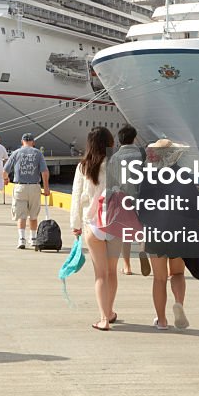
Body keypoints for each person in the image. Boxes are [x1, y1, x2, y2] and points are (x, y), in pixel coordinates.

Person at [135, 139, 199, 330]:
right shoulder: (183, 175)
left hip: (156, 233)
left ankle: (161, 321)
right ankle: (178, 303)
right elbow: (196, 208)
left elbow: (142, 207)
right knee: (177, 273)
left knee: (159, 278)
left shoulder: (148, 175)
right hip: (179, 232)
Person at [70, 126, 119, 331]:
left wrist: (75, 224)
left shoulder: (83, 166)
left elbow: (76, 197)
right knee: (112, 272)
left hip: (94, 223)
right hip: (115, 223)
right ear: (110, 143)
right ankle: (109, 311)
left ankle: (103, 319)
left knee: (100, 274)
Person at [109, 125, 151, 277]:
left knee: (124, 232)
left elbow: (112, 181)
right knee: (143, 229)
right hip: (143, 196)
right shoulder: (142, 155)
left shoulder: (114, 158)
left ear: (120, 141)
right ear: (134, 138)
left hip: (123, 198)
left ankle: (126, 266)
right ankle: (142, 251)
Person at [3, 132, 50, 249]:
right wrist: (46, 187)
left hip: (20, 187)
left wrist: (6, 179)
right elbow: (44, 172)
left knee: (21, 215)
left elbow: (4, 171)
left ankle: (21, 239)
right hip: (34, 187)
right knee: (33, 215)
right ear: (33, 142)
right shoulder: (38, 153)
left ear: (22, 141)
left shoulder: (16, 153)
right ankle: (33, 239)